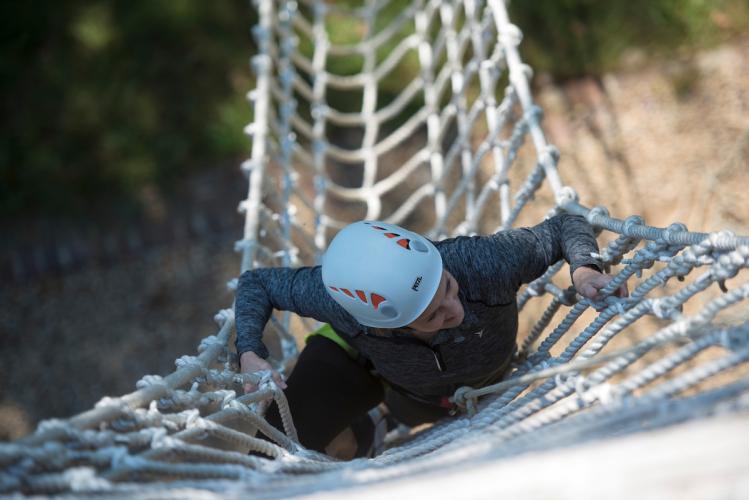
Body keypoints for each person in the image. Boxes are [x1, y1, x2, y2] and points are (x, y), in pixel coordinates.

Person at [235, 214, 627, 457]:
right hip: (369, 364)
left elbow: (565, 224)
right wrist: (250, 352)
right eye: (434, 313)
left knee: (416, 412)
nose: (454, 309)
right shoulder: (332, 300)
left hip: (458, 389)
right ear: (391, 323)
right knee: (270, 454)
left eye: (449, 288)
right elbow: (258, 284)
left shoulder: (482, 263)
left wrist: (585, 269)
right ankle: (364, 425)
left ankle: (378, 423)